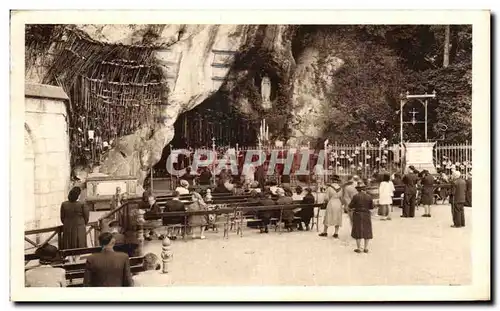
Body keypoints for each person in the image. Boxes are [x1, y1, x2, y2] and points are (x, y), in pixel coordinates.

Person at [349, 182, 374, 253]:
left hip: (357, 214)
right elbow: (371, 207)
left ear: (358, 189)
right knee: (367, 230)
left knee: (358, 230)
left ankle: (359, 248)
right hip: (366, 214)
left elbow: (350, 206)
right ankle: (366, 248)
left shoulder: (355, 196)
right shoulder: (369, 196)